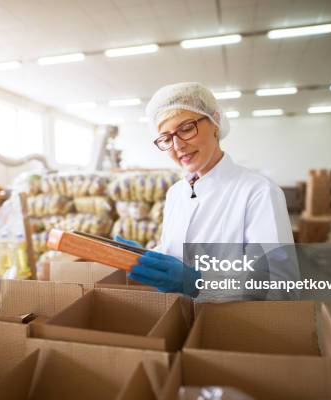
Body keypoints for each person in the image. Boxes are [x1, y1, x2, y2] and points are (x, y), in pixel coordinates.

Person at [116, 82, 295, 299]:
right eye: (166, 138)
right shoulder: (176, 193)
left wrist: (198, 282)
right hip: (178, 320)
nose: (178, 145)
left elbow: (280, 284)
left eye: (186, 128)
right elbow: (177, 254)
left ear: (215, 123)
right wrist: (148, 257)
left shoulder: (258, 192)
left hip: (232, 326)